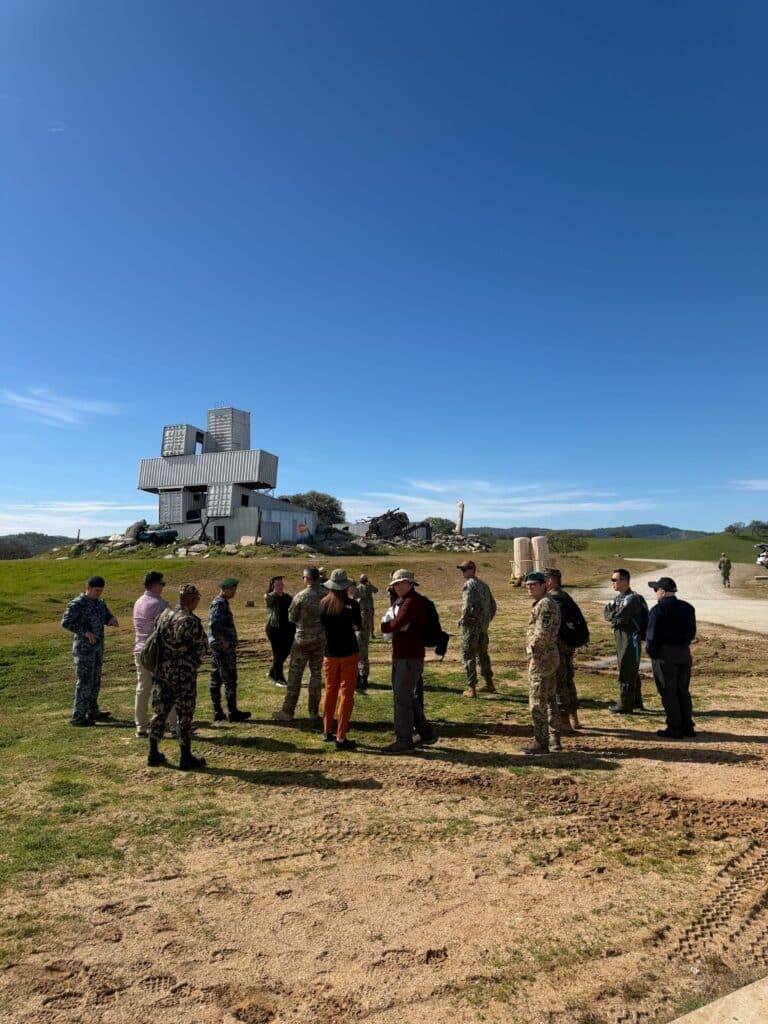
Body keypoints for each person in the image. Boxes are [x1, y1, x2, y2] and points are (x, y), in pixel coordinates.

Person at [148, 584, 209, 770]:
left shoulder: (164, 614)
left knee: (160, 710)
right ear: (192, 600)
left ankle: (153, 752)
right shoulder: (190, 620)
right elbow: (203, 647)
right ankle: (185, 756)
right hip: (183, 674)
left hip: (162, 671)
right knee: (185, 713)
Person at [380, 568, 436, 754]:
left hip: (409, 657)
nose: (397, 586)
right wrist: (394, 626)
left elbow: (393, 624)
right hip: (404, 655)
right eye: (395, 584)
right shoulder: (405, 600)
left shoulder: (411, 602)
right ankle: (425, 732)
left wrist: (386, 626)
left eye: (400, 583)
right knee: (407, 696)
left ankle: (404, 739)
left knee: (401, 698)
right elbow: (397, 626)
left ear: (410, 584)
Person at [61, 575, 119, 727]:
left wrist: (111, 620)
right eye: (96, 590)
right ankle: (78, 716)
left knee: (95, 681)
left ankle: (93, 711)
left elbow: (106, 616)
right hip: (84, 649)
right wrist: (85, 632)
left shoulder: (100, 603)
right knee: (85, 682)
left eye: (101, 591)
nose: (99, 593)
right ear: (88, 588)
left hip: (98, 648)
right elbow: (66, 622)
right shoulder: (77, 604)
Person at [272, 566, 325, 724]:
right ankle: (313, 712)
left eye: (303, 577)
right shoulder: (326, 594)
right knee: (316, 675)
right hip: (320, 639)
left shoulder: (300, 596)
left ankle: (288, 711)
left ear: (307, 578)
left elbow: (292, 618)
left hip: (302, 639)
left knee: (295, 676)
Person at [646, 577, 697, 739]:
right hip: (683, 652)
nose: (655, 593)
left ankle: (674, 728)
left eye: (656, 590)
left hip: (664, 654)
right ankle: (687, 726)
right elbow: (691, 633)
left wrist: (652, 652)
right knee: (682, 691)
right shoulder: (687, 608)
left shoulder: (657, 610)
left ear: (662, 591)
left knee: (669, 692)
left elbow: (651, 636)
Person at [319, 569, 362, 751]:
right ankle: (341, 736)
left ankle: (327, 729)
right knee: (346, 695)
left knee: (330, 691)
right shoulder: (352, 605)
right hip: (349, 653)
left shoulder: (323, 604)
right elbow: (358, 625)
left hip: (330, 653)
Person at [522, 571, 562, 754]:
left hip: (542, 658)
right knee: (550, 698)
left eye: (533, 585)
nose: (529, 588)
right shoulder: (545, 602)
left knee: (538, 701)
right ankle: (554, 739)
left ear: (543, 585)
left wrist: (533, 651)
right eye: (527, 585)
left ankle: (541, 740)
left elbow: (542, 635)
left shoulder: (545, 604)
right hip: (549, 657)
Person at [544, 567, 588, 731]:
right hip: (568, 645)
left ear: (549, 581)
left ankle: (564, 721)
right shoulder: (565, 596)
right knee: (568, 679)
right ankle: (573, 716)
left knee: (559, 682)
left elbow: (553, 625)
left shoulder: (554, 599)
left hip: (559, 646)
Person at [133, 570, 176, 738]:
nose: (163, 587)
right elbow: (168, 628)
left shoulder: (139, 601)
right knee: (167, 688)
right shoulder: (160, 604)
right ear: (155, 585)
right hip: (156, 651)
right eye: (162, 584)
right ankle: (174, 725)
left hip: (140, 650)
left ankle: (141, 726)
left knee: (142, 689)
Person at [603, 568, 648, 714]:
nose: (613, 583)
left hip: (630, 638)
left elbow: (620, 617)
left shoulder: (632, 598)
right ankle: (636, 702)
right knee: (629, 669)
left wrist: (613, 616)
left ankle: (625, 704)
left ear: (624, 581)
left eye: (615, 580)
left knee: (627, 668)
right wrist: (613, 616)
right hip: (620, 636)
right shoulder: (618, 598)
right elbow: (607, 613)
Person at [208, 578, 251, 723]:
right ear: (225, 589)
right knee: (229, 680)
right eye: (232, 589)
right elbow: (215, 626)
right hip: (223, 650)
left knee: (217, 679)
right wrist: (225, 643)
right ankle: (232, 712)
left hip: (219, 648)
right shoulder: (219, 604)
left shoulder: (221, 603)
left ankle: (218, 711)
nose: (234, 592)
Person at [457, 559, 497, 697]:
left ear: (472, 570)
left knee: (469, 655)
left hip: (471, 627)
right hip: (482, 628)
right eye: (462, 569)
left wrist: (463, 619)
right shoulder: (484, 585)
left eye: (464, 569)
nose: (462, 572)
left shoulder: (469, 585)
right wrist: (486, 621)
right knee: (483, 655)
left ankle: (471, 687)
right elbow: (493, 606)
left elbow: (466, 605)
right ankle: (489, 683)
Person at [265, 576, 295, 686]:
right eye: (277, 585)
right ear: (273, 586)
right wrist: (271, 594)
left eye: (281, 584)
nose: (280, 586)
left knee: (286, 651)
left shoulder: (287, 597)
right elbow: (268, 601)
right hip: (275, 629)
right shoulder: (271, 597)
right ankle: (279, 678)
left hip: (288, 630)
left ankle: (273, 672)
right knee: (278, 654)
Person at [358, 574, 379, 641]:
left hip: (369, 606)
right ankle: (363, 634)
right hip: (363, 607)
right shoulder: (359, 587)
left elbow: (376, 590)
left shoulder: (369, 586)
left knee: (371, 620)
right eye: (363, 579)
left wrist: (370, 585)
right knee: (363, 621)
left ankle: (372, 633)